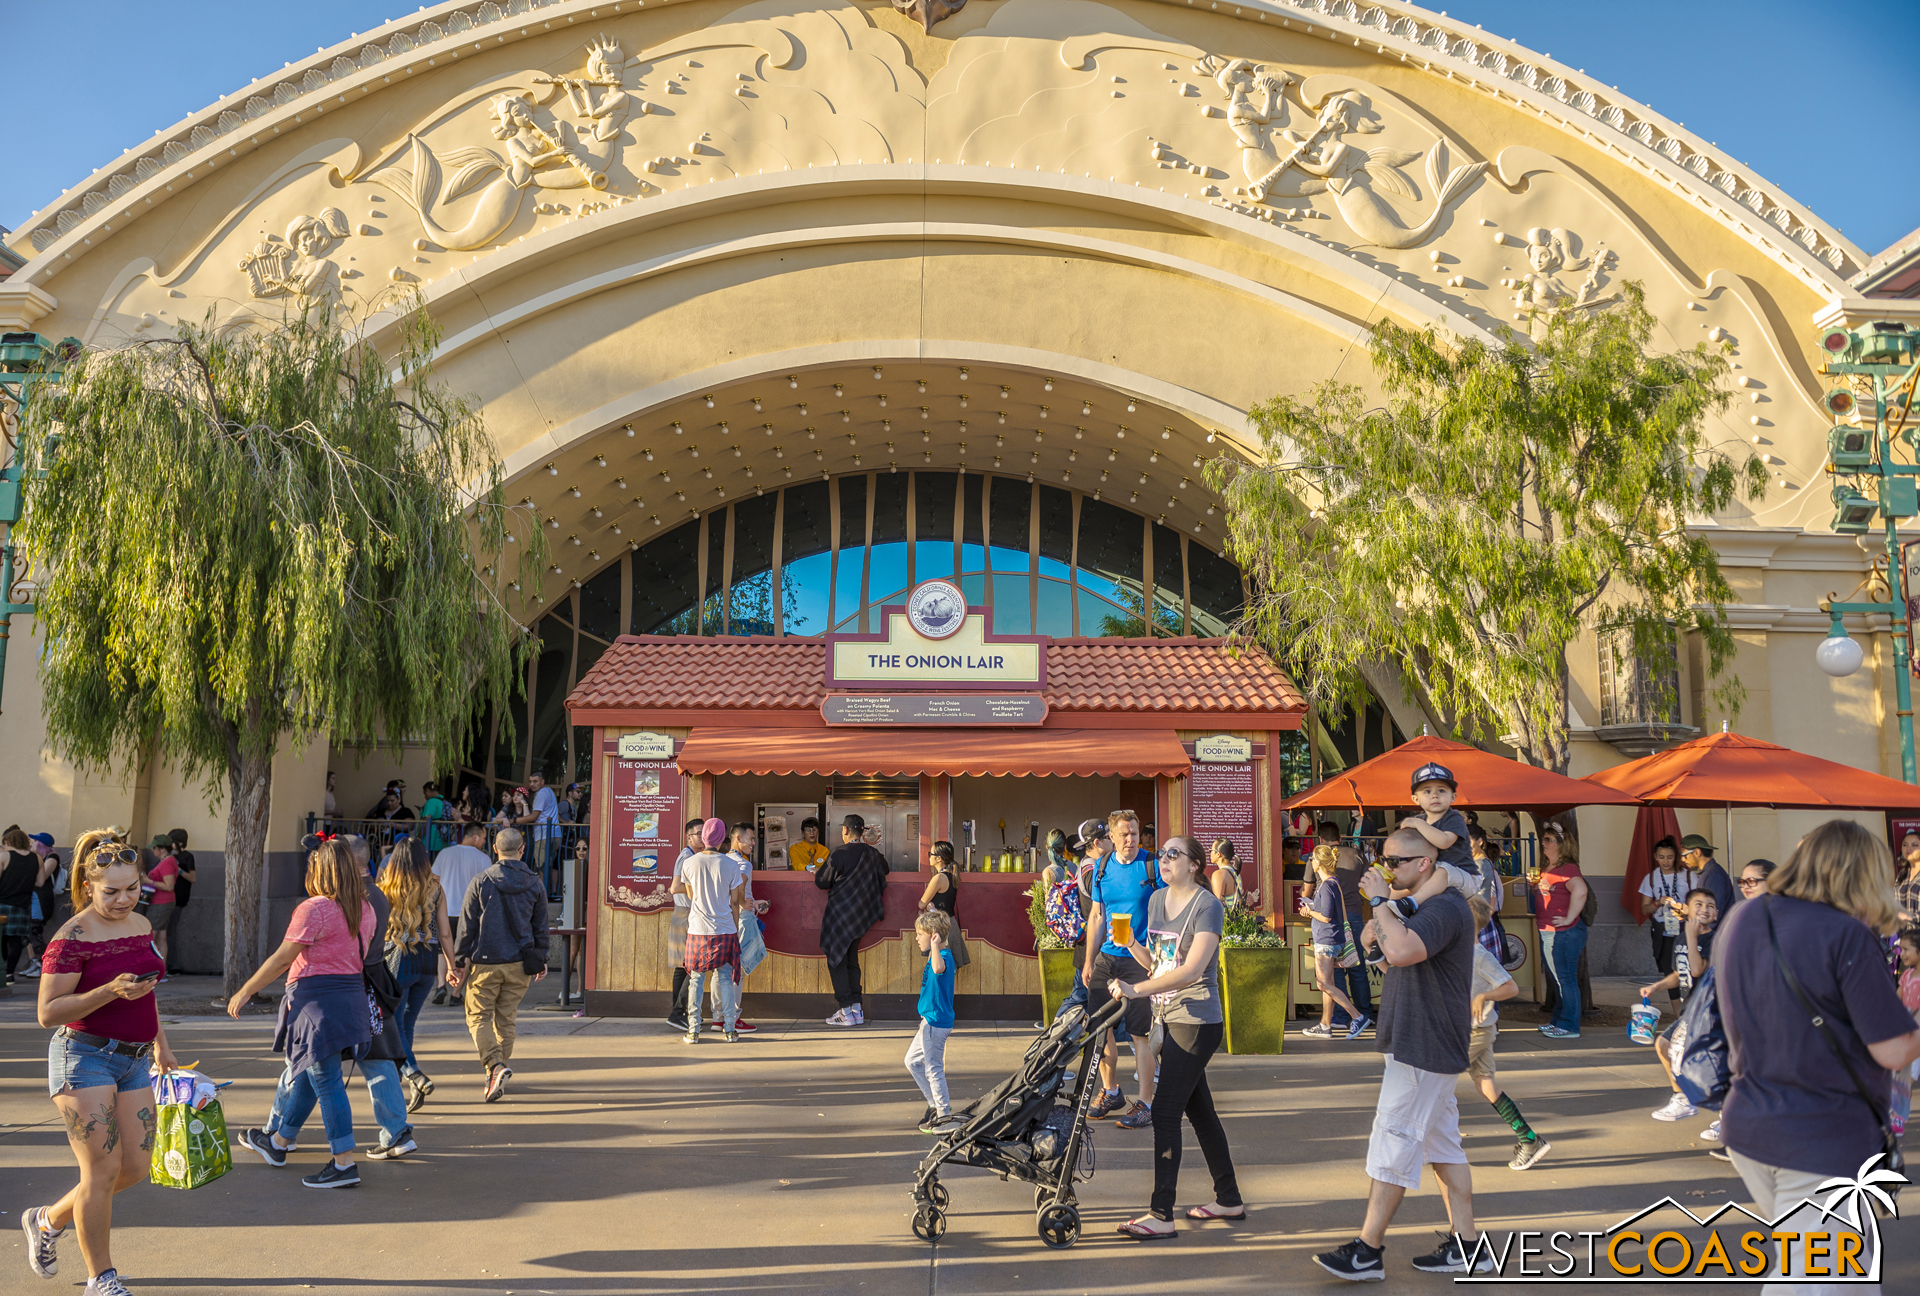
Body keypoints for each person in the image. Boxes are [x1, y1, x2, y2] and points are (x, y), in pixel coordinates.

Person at [1716, 819, 1920, 1293]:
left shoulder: (1743, 917)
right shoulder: (1845, 933)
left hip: (1749, 1125)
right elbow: (1892, 1049)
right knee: (1821, 1283)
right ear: (1861, 874)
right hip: (1821, 1135)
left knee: (1815, 1272)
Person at [1313, 828, 1490, 1280]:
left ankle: (1367, 1250)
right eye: (1383, 858)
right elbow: (1394, 958)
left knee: (1394, 1141)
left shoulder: (1443, 907)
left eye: (1395, 861)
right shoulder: (1423, 907)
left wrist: (1377, 904)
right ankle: (1469, 1246)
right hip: (1422, 1041)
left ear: (1425, 864)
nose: (1385, 868)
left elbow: (1406, 951)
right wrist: (1375, 942)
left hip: (1423, 1044)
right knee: (1442, 1146)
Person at [22, 831, 178, 1295]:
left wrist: (159, 1044)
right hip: (82, 1058)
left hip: (133, 1061)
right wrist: (107, 991)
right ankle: (101, 1279)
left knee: (135, 1167)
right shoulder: (72, 937)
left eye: (133, 888)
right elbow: (48, 1013)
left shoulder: (141, 925)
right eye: (111, 891)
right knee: (103, 1171)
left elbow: (145, 990)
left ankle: (47, 1219)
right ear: (88, 886)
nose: (124, 899)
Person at [1109, 834, 1241, 1238]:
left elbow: (1193, 969)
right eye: (1162, 854)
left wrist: (1137, 991)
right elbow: (1160, 964)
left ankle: (1161, 1214)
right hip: (1167, 1017)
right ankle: (1229, 1199)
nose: (1164, 860)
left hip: (1197, 1021)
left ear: (1195, 864)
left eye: (1174, 854)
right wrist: (1130, 943)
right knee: (1199, 1111)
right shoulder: (1155, 902)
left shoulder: (1207, 905)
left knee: (1164, 1112)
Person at [231, 839, 375, 1190]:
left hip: (315, 1003)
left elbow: (282, 959)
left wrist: (246, 989)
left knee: (325, 1082)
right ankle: (278, 1142)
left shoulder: (315, 908)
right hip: (349, 998)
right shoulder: (363, 907)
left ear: (321, 870)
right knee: (312, 1075)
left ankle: (343, 1162)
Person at [449, 827, 550, 1100]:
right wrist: (542, 959)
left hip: (485, 962)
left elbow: (466, 925)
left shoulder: (481, 881)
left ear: (494, 849)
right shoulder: (535, 882)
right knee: (506, 1020)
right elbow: (541, 927)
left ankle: (495, 1066)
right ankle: (496, 1073)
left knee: (478, 1017)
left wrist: (459, 960)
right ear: (522, 849)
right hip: (520, 965)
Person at [337, 835, 421, 1160]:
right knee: (378, 1059)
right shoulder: (376, 894)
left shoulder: (355, 897)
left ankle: (280, 1132)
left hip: (352, 985)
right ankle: (396, 1131)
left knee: (313, 1062)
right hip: (372, 982)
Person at [1083, 808, 1164, 1130]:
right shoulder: (1102, 867)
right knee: (1100, 1028)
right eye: (1124, 834)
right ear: (1111, 838)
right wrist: (1089, 961)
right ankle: (1111, 1091)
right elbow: (1097, 917)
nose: (1130, 839)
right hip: (1107, 956)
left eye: (1134, 833)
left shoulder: (1152, 865)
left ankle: (1145, 1102)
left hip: (1139, 958)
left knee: (1139, 1034)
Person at [1465, 896, 1549, 1171]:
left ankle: (1431, 1146)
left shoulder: (1480, 956)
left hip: (1475, 1032)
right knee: (1485, 1084)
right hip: (1479, 1029)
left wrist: (1485, 996)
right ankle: (1529, 1139)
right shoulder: (1463, 951)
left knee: (1434, 1081)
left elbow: (1511, 988)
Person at [377, 835, 454, 1113]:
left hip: (398, 957)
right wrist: (452, 966)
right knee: (406, 1024)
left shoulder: (386, 887)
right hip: (428, 960)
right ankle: (412, 1085)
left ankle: (413, 1073)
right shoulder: (436, 887)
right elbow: (445, 931)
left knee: (393, 1026)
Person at [1643, 887, 1720, 1136]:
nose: (1704, 910)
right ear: (1686, 909)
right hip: (1691, 1011)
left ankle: (1726, 1119)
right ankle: (1682, 1098)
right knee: (1664, 1045)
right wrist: (1657, 986)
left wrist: (1691, 936)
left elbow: (1698, 969)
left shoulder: (1715, 940)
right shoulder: (1682, 939)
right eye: (1698, 904)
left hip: (1709, 1011)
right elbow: (1681, 973)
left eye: (1709, 906)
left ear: (1716, 913)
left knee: (1715, 1067)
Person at [673, 818, 744, 1044]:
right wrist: (734, 928)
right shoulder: (731, 864)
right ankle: (730, 1030)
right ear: (723, 838)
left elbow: (691, 896)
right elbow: (734, 902)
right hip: (724, 929)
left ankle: (693, 1031)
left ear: (703, 838)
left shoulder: (690, 863)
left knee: (696, 980)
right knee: (725, 979)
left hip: (698, 929)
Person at [817, 814, 889, 1026]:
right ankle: (857, 1010)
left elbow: (822, 882)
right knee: (851, 960)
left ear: (846, 830)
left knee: (836, 960)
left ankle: (845, 1012)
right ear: (863, 831)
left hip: (840, 916)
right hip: (859, 919)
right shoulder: (873, 853)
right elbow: (884, 870)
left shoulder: (839, 853)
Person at [1300, 844, 1368, 1039]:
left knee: (1323, 984)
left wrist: (1309, 911)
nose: (1310, 862)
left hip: (1326, 938)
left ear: (1319, 863)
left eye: (1312, 859)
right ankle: (1325, 1024)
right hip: (1332, 938)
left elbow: (1326, 916)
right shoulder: (1333, 883)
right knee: (1328, 982)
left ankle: (1357, 1016)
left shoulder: (1327, 885)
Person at [1047, 820, 1107, 1024]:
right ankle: (1055, 1033)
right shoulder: (1089, 868)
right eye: (1110, 837)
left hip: (1097, 945)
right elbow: (1099, 901)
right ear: (1098, 842)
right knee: (1079, 996)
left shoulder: (1095, 865)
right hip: (1091, 945)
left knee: (1084, 995)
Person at [1533, 824, 1589, 1040]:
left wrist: (1569, 917)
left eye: (1549, 839)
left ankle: (1569, 1025)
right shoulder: (1551, 867)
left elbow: (1581, 891)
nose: (1544, 843)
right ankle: (1558, 1021)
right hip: (1552, 930)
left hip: (1563, 932)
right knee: (1558, 978)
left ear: (1562, 844)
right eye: (1544, 839)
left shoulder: (1568, 869)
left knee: (1564, 978)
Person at [906, 909, 959, 1134]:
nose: (917, 938)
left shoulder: (943, 956)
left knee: (933, 1068)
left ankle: (944, 1115)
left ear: (934, 936)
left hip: (935, 1023)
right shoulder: (937, 953)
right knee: (912, 1061)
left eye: (920, 934)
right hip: (928, 1021)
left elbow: (938, 969)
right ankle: (933, 1105)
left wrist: (936, 945)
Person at [430, 822, 493, 1006]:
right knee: (466, 954)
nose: (483, 841)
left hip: (445, 909)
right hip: (470, 913)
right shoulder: (483, 859)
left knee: (443, 950)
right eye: (482, 838)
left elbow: (434, 880)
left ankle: (441, 985)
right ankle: (456, 994)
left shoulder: (445, 854)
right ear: (475, 837)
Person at [1322, 821, 1375, 1035]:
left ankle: (1342, 1016)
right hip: (1354, 914)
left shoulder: (1321, 856)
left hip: (1332, 917)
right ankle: (1365, 1014)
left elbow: (1307, 888)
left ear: (1320, 840)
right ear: (1340, 837)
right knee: (1358, 967)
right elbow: (1368, 881)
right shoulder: (1356, 855)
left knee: (1337, 970)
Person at [712, 822, 761, 1034]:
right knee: (736, 969)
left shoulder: (721, 860)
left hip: (721, 919)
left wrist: (748, 900)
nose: (753, 843)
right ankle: (734, 1017)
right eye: (750, 839)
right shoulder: (743, 863)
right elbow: (740, 883)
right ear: (737, 839)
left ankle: (718, 1018)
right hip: (739, 919)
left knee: (719, 968)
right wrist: (743, 902)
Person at [1639, 834, 1696, 1015]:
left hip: (1683, 928)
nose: (1665, 861)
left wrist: (1682, 908)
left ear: (1676, 857)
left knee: (1687, 971)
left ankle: (1691, 1012)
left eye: (1670, 857)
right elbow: (1645, 908)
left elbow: (1698, 903)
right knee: (1669, 972)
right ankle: (1678, 1016)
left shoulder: (1688, 876)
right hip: (1662, 930)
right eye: (1661, 857)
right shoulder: (1651, 878)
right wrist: (1657, 902)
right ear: (1656, 857)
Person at [666, 817, 705, 1030]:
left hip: (688, 913)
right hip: (685, 914)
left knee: (684, 967)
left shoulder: (695, 856)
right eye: (698, 833)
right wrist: (699, 886)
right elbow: (675, 887)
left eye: (704, 833)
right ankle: (678, 1012)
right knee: (691, 965)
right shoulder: (686, 857)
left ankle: (678, 1012)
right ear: (688, 836)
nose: (702, 837)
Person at [917, 839, 970, 970]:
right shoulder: (952, 876)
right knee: (948, 969)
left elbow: (921, 904)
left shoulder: (939, 878)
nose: (929, 857)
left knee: (939, 969)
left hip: (941, 929)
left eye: (931, 854)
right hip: (950, 924)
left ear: (939, 858)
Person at [1, 826, 43, 984]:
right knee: (16, 941)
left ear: (8, 841)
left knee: (1, 939)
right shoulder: (36, 858)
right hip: (23, 905)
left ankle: (1, 970)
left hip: (2, 904)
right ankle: (9, 974)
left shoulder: (4, 856)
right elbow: (40, 881)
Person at [139, 836, 179, 975]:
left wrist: (148, 881)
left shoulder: (167, 862)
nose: (153, 850)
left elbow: (169, 886)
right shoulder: (168, 860)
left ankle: (146, 970)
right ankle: (160, 971)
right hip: (162, 902)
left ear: (162, 849)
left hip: (161, 904)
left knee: (150, 937)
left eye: (154, 847)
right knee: (161, 937)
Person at [519, 771, 562, 890]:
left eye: (535, 781)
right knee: (550, 865)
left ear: (542, 782)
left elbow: (534, 816)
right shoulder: (549, 791)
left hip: (544, 834)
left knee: (541, 865)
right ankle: (551, 893)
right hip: (556, 833)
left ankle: (541, 895)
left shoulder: (541, 794)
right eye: (530, 781)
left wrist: (514, 820)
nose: (532, 784)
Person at [1682, 833, 1736, 919]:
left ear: (1697, 852)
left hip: (1715, 931)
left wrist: (1703, 931)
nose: (1683, 859)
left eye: (1684, 855)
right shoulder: (1709, 873)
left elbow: (1713, 912)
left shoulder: (1713, 875)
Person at [163, 830, 194, 974]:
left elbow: (193, 878)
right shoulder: (172, 857)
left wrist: (179, 870)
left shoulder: (188, 857)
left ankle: (173, 965)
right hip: (169, 897)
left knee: (170, 932)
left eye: (173, 841)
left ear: (180, 843)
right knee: (167, 931)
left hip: (179, 899)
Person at [1207, 838, 1243, 905]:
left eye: (1210, 850)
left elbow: (1216, 904)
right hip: (1235, 915)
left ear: (1218, 854)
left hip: (1224, 915)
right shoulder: (1236, 873)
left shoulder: (1218, 874)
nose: (1210, 853)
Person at [419, 782, 450, 853]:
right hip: (443, 841)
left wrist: (418, 838)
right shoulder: (446, 802)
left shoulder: (431, 802)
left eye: (424, 793)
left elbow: (426, 822)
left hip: (430, 842)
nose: (425, 796)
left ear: (427, 790)